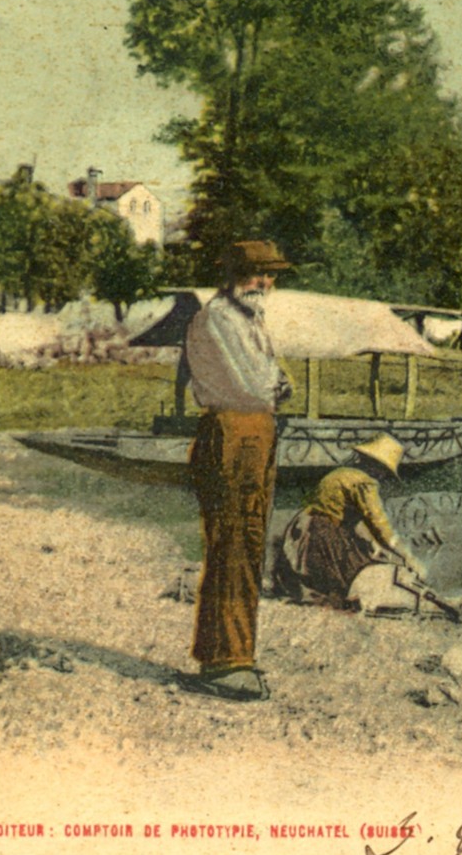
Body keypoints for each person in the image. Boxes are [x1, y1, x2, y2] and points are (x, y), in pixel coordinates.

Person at [182, 239, 293, 702]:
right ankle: (229, 660)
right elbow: (260, 382)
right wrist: (276, 384)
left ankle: (225, 653)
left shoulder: (249, 319)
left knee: (245, 543)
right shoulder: (219, 319)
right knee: (236, 542)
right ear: (230, 276)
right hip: (233, 433)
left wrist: (276, 384)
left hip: (252, 431)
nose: (263, 283)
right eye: (254, 274)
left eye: (269, 275)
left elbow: (276, 382)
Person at [270, 435, 429, 610]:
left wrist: (374, 546)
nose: (383, 476)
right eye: (384, 470)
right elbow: (378, 522)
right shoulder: (364, 482)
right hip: (325, 533)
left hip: (306, 529)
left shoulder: (342, 473)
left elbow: (354, 521)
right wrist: (407, 556)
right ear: (377, 466)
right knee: (353, 576)